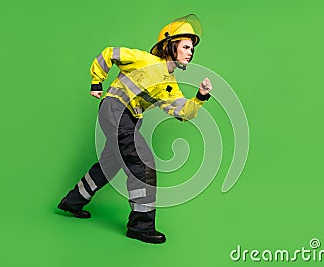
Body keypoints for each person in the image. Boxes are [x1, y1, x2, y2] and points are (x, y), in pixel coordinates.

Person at [57, 14, 212, 244]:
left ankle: (73, 201)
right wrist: (96, 81)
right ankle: (141, 225)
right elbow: (109, 53)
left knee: (111, 163)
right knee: (142, 161)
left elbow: (182, 112)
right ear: (170, 45)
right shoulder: (144, 60)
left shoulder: (170, 84)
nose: (190, 52)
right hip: (114, 109)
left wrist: (200, 97)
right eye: (186, 46)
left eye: (192, 48)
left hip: (129, 119)